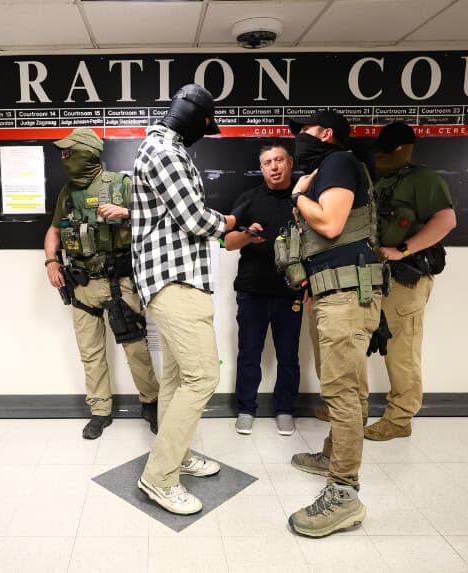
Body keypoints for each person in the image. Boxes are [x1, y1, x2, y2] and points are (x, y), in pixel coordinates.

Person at [132, 84, 239, 515]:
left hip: (173, 282)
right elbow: (196, 219)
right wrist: (230, 220)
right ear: (195, 119)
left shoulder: (160, 148)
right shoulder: (166, 152)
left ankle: (176, 455)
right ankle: (159, 478)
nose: (205, 133)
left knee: (177, 381)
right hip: (175, 283)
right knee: (203, 379)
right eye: (206, 126)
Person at [285, 110, 385, 537]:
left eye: (304, 132)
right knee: (346, 388)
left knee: (342, 393)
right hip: (336, 293)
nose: (298, 141)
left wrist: (297, 196)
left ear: (325, 134)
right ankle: (333, 455)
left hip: (346, 298)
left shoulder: (338, 161)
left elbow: (330, 222)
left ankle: (344, 493)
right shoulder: (331, 166)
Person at [43, 128, 160, 440]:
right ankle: (100, 410)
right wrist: (51, 261)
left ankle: (151, 404)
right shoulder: (67, 193)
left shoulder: (121, 185)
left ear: (87, 153)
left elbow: (157, 220)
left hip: (118, 282)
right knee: (90, 352)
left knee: (136, 349)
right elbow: (54, 231)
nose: (64, 158)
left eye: (69, 152)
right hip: (81, 285)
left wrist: (125, 212)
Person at [364, 122, 457, 441]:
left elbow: (446, 220)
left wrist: (403, 250)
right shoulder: (384, 180)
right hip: (376, 277)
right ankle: (356, 409)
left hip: (405, 279)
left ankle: (400, 418)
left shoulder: (423, 179)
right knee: (365, 341)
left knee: (401, 349)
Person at [226, 143, 303, 436]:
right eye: (267, 162)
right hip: (252, 290)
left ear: (290, 163)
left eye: (279, 160)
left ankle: (285, 409)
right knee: (248, 353)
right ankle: (246, 409)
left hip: (291, 291)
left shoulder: (304, 198)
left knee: (289, 356)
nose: (274, 167)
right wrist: (247, 235)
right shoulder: (249, 199)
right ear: (261, 168)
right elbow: (227, 242)